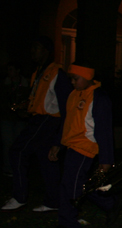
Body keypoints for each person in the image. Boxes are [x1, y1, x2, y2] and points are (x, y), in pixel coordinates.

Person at [2, 37, 72, 212]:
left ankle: (19, 197)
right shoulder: (38, 73)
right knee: (47, 159)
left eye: (37, 48)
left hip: (48, 120)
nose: (33, 51)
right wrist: (25, 109)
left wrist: (60, 135)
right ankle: (53, 201)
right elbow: (41, 99)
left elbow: (65, 106)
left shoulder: (57, 73)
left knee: (17, 151)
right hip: (39, 118)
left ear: (46, 51)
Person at [48, 63, 117, 228]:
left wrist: (106, 159)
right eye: (71, 78)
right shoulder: (74, 95)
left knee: (70, 184)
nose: (72, 82)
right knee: (75, 183)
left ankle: (68, 222)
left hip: (86, 146)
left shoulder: (98, 97)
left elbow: (104, 129)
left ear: (87, 77)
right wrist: (58, 143)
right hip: (72, 145)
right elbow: (67, 121)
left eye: (75, 78)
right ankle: (110, 204)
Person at [1, 62, 29, 176]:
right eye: (8, 70)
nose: (9, 72)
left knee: (18, 143)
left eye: (11, 69)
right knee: (7, 143)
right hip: (6, 117)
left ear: (17, 71)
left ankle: (18, 167)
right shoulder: (4, 84)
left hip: (20, 119)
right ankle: (8, 168)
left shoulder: (25, 85)